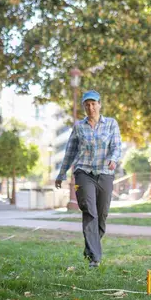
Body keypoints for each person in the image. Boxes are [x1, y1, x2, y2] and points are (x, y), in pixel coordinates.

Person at [55, 90, 122, 268]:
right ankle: (95, 258)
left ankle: (90, 248)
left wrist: (113, 159)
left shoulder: (111, 124)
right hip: (83, 172)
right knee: (89, 212)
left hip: (105, 172)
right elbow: (70, 152)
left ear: (99, 104)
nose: (90, 107)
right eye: (87, 105)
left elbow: (117, 146)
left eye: (93, 104)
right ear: (84, 107)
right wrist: (61, 174)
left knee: (102, 215)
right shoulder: (79, 127)